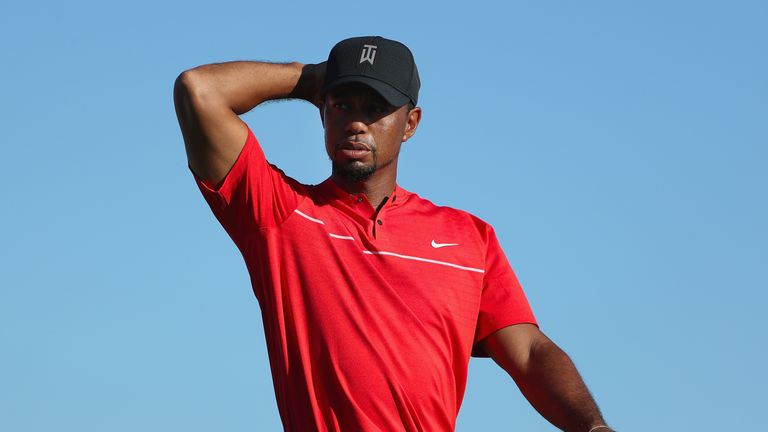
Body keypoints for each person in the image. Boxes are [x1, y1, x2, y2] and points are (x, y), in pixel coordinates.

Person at [173, 36, 614, 432]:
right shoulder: (279, 213)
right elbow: (200, 89)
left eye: (376, 108)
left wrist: (592, 427)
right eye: (342, 104)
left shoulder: (468, 238)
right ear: (322, 111)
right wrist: (312, 79)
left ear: (411, 123)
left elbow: (529, 352)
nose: (356, 123)